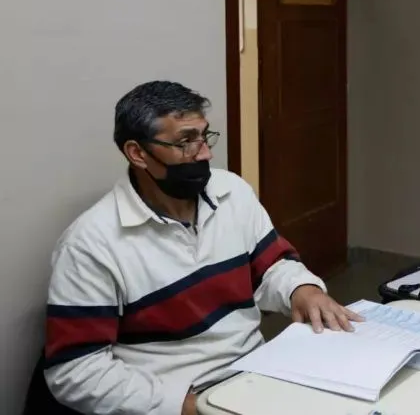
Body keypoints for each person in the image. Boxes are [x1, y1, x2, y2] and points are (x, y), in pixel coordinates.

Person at [44, 81, 361, 415]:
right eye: (185, 142)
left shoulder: (231, 192)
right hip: (176, 400)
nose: (205, 154)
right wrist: (190, 407)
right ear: (137, 153)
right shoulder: (91, 245)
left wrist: (304, 289)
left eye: (204, 136)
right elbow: (75, 371)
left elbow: (272, 267)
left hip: (254, 376)